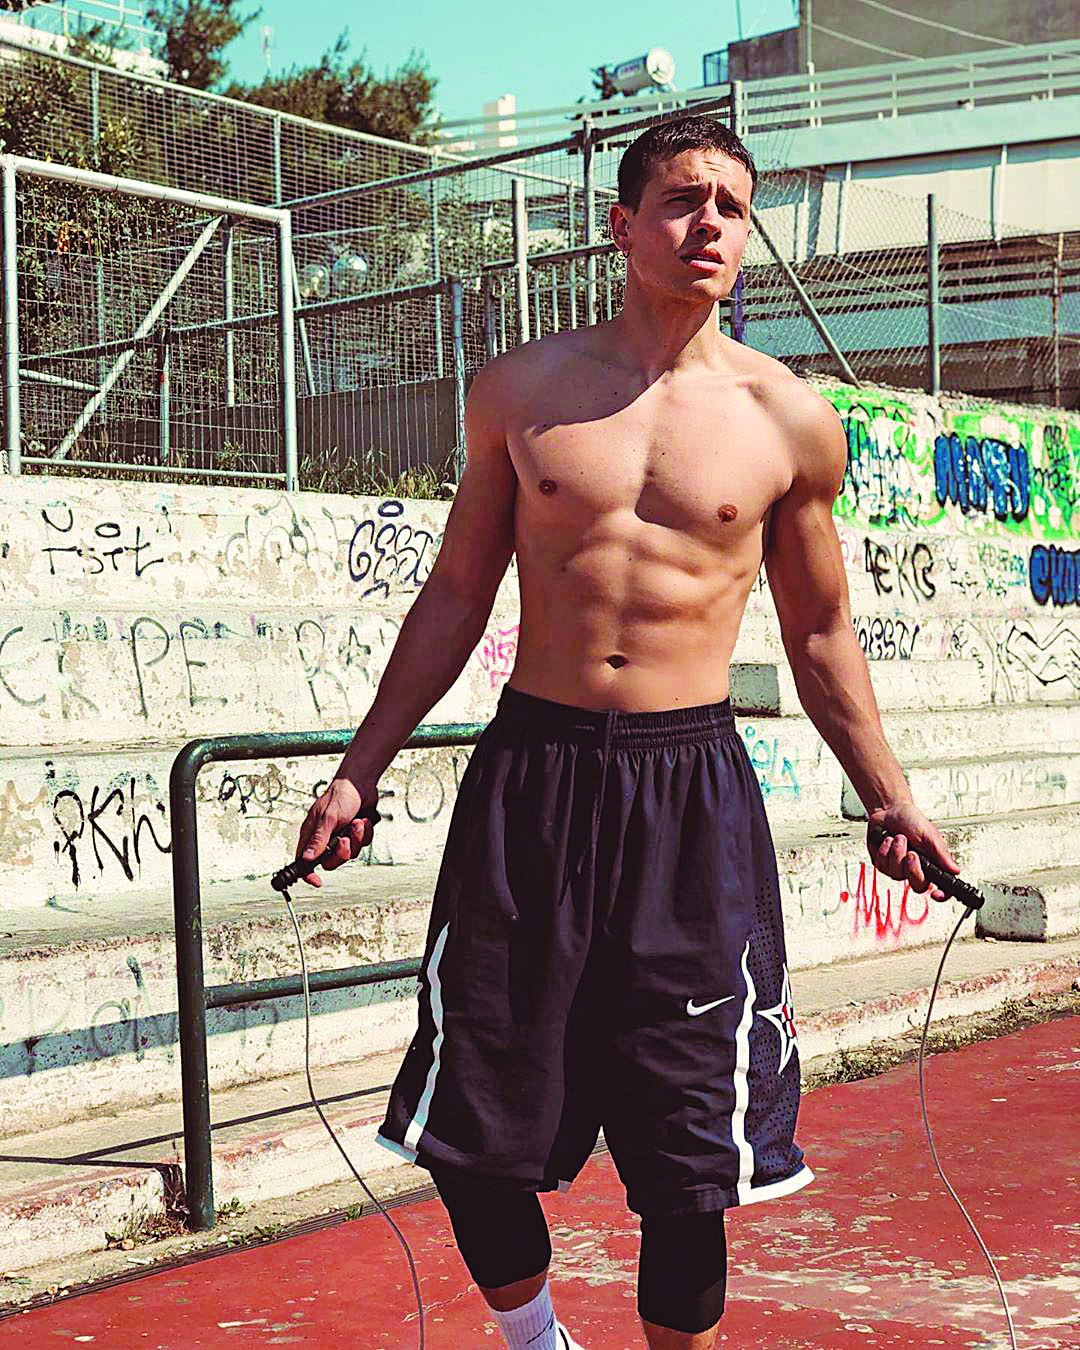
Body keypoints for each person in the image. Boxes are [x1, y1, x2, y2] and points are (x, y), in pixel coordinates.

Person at [294, 115, 960, 1350]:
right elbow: (456, 593)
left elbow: (820, 632)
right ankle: (538, 1340)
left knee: (691, 1160)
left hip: (689, 790)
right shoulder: (522, 391)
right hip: (532, 776)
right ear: (622, 223)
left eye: (732, 206)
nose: (710, 223)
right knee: (469, 1127)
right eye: (683, 199)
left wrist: (889, 797)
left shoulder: (789, 418)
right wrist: (356, 772)